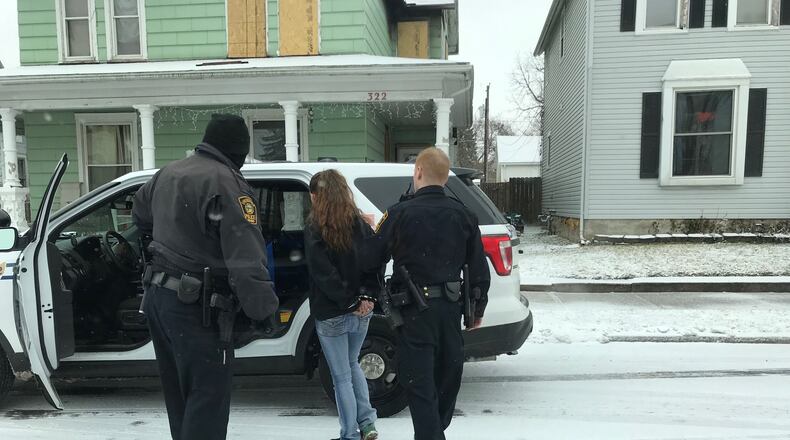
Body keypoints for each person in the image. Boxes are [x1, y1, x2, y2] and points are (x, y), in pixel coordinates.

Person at [132, 114, 279, 440]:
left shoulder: (167, 173)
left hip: (159, 300)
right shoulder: (228, 183)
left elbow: (139, 214)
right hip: (197, 308)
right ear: (238, 150)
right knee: (207, 399)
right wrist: (263, 309)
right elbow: (246, 259)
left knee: (180, 396)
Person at [364, 147, 490, 440]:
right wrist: (478, 308)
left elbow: (371, 257)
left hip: (413, 313)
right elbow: (478, 268)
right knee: (447, 380)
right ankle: (434, 432)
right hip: (450, 310)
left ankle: (432, 434)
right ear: (445, 178)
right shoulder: (464, 215)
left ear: (418, 171)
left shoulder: (397, 213)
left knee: (420, 386)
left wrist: (369, 291)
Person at [304, 169, 380, 440]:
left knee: (341, 377)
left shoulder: (315, 229)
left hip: (332, 312)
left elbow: (323, 273)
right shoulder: (361, 225)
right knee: (352, 364)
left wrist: (348, 301)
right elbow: (374, 263)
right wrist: (367, 297)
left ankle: (349, 433)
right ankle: (368, 423)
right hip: (362, 312)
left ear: (317, 196)